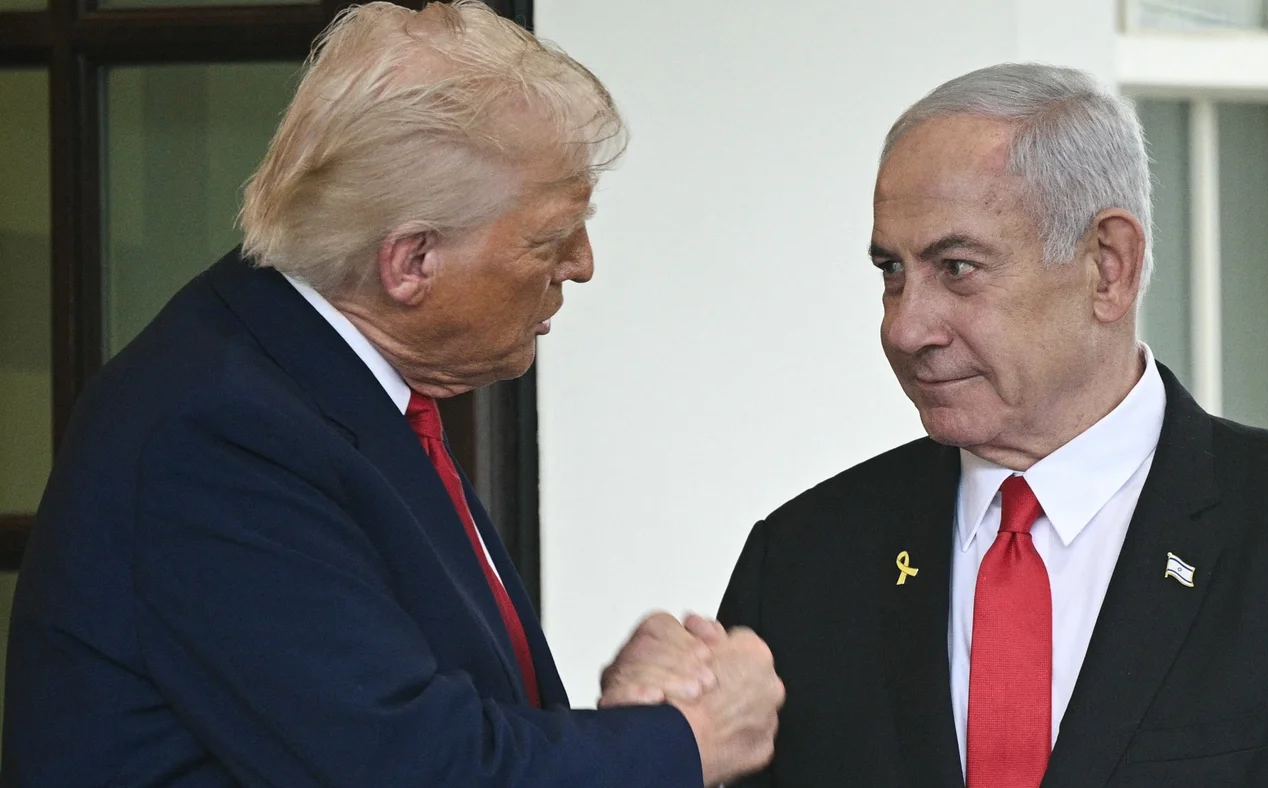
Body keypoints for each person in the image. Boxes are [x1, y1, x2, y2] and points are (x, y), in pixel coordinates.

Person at [3, 2, 782, 785]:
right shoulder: (220, 431)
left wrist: (631, 723)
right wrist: (687, 739)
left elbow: (421, 717)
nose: (581, 265)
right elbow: (411, 766)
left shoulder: (314, 379)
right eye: (549, 237)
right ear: (411, 263)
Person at [716, 63, 1268, 787]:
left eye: (957, 268)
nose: (905, 328)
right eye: (892, 271)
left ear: (1108, 267)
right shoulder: (801, 563)